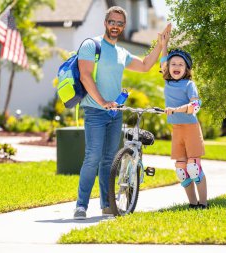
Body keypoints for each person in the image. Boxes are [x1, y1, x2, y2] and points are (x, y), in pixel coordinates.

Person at [73, 6, 172, 219]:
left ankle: (107, 204)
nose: (115, 26)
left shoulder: (121, 52)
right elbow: (85, 76)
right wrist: (102, 101)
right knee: (93, 157)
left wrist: (161, 45)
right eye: (112, 22)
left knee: (109, 160)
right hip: (95, 110)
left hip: (114, 113)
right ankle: (81, 206)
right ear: (105, 22)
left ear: (123, 26)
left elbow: (146, 65)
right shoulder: (92, 45)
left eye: (119, 23)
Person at [160, 40, 208, 209]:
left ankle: (203, 204)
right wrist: (163, 44)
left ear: (186, 69)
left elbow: (195, 106)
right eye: (173, 63)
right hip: (177, 130)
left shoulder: (189, 85)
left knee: (193, 167)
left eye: (181, 64)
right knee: (181, 170)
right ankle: (193, 204)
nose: (176, 66)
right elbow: (163, 60)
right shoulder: (167, 82)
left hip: (191, 129)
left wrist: (175, 109)